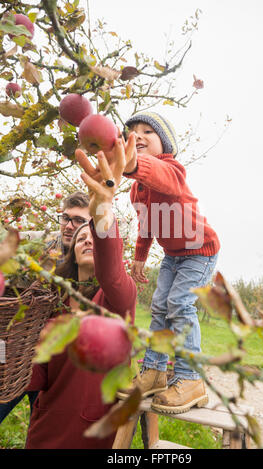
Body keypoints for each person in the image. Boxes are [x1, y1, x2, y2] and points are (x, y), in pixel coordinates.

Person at [25, 138, 136, 449]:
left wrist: (102, 208)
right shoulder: (54, 303)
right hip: (45, 431)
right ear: (71, 252)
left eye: (93, 236)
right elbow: (36, 374)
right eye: (80, 238)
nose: (88, 240)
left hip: (91, 437)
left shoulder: (118, 299)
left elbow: (111, 270)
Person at [117, 112, 220, 414]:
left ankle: (191, 378)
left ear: (165, 144)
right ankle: (155, 371)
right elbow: (146, 223)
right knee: (160, 306)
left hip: (200, 250)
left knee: (179, 304)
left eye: (147, 132)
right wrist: (139, 257)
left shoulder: (172, 170)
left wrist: (134, 164)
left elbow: (162, 177)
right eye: (132, 132)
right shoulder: (136, 188)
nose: (137, 136)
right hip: (174, 255)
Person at [0, 192, 91, 425]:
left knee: (41, 419)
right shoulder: (41, 244)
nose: (70, 226)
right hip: (19, 349)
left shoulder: (92, 259)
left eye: (79, 220)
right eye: (65, 218)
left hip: (55, 357)